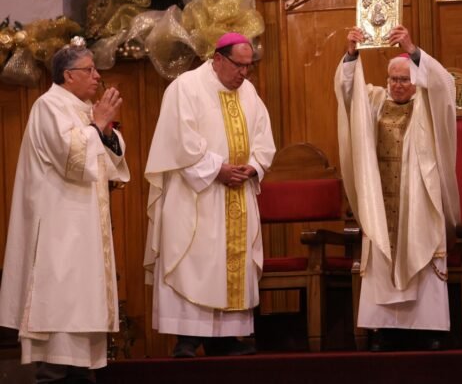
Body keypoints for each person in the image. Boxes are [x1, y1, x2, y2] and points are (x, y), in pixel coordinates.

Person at [0, 40, 129, 383]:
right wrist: (98, 125)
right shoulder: (49, 106)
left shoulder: (84, 109)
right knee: (59, 318)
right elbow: (70, 157)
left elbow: (110, 162)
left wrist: (105, 130)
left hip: (84, 231)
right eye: (90, 69)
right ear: (68, 75)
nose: (97, 76)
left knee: (82, 337)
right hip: (60, 233)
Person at [144, 32, 275, 357]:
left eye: (248, 66)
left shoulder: (249, 92)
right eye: (238, 65)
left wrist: (253, 167)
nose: (244, 73)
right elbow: (180, 141)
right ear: (217, 59)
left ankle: (225, 339)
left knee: (228, 264)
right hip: (196, 194)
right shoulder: (185, 88)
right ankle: (188, 339)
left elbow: (264, 138)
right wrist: (218, 169)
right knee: (195, 261)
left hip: (237, 193)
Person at [334, 25, 460, 351]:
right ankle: (384, 330)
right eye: (393, 79)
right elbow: (347, 94)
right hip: (381, 198)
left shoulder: (428, 103)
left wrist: (413, 50)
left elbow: (445, 85)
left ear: (416, 80)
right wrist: (351, 54)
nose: (398, 85)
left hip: (419, 197)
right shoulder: (375, 101)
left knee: (421, 249)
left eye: (405, 79)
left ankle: (428, 329)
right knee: (382, 254)